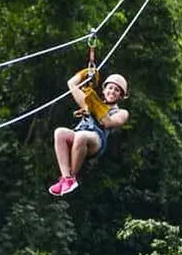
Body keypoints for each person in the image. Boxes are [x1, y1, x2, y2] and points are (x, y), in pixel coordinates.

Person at [48, 68, 130, 196]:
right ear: (104, 90)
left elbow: (107, 123)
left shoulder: (121, 112)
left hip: (97, 140)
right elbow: (72, 84)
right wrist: (84, 73)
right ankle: (66, 178)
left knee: (81, 137)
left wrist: (95, 105)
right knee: (60, 133)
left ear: (120, 96)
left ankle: (72, 177)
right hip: (80, 132)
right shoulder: (90, 101)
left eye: (117, 90)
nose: (112, 91)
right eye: (110, 88)